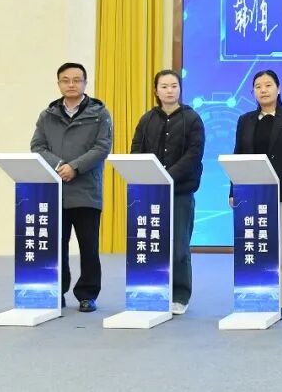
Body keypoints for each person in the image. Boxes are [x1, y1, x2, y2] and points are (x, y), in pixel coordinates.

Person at [30, 62, 113, 313]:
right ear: (58, 84)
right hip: (55, 191)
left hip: (87, 190)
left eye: (77, 80)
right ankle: (58, 291)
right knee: (57, 246)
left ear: (85, 83)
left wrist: (75, 167)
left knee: (89, 247)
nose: (71, 84)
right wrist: (60, 166)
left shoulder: (99, 113)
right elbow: (37, 146)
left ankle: (87, 295)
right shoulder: (47, 115)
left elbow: (102, 147)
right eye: (65, 80)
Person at [231, 70, 282, 316]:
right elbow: (238, 155)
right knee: (254, 246)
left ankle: (280, 300)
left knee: (281, 248)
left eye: (268, 85)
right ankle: (255, 293)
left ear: (278, 88)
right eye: (258, 86)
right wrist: (233, 189)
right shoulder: (245, 120)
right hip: (251, 193)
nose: (263, 90)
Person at [130, 69, 205, 315]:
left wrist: (167, 176)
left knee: (179, 246)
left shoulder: (192, 119)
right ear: (156, 90)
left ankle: (180, 294)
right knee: (151, 242)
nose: (169, 90)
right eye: (164, 86)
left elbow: (194, 155)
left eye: (174, 86)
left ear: (180, 89)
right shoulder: (147, 119)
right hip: (150, 192)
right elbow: (136, 150)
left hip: (180, 191)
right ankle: (152, 290)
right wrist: (148, 176)